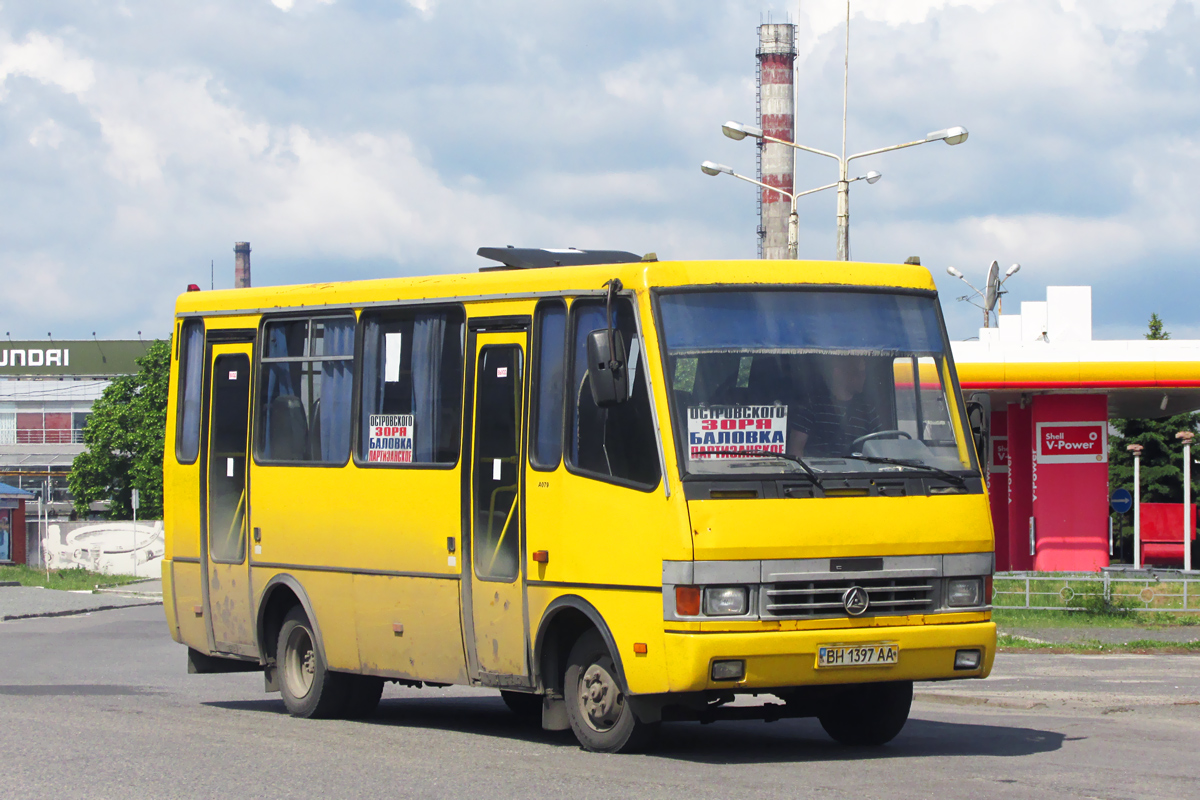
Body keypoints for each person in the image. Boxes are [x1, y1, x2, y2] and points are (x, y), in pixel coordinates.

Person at [789, 354, 881, 457]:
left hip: (860, 471)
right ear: (838, 373)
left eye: (863, 372)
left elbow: (879, 450)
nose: (862, 377)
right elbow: (795, 450)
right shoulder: (812, 406)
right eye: (856, 372)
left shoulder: (868, 410)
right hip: (818, 472)